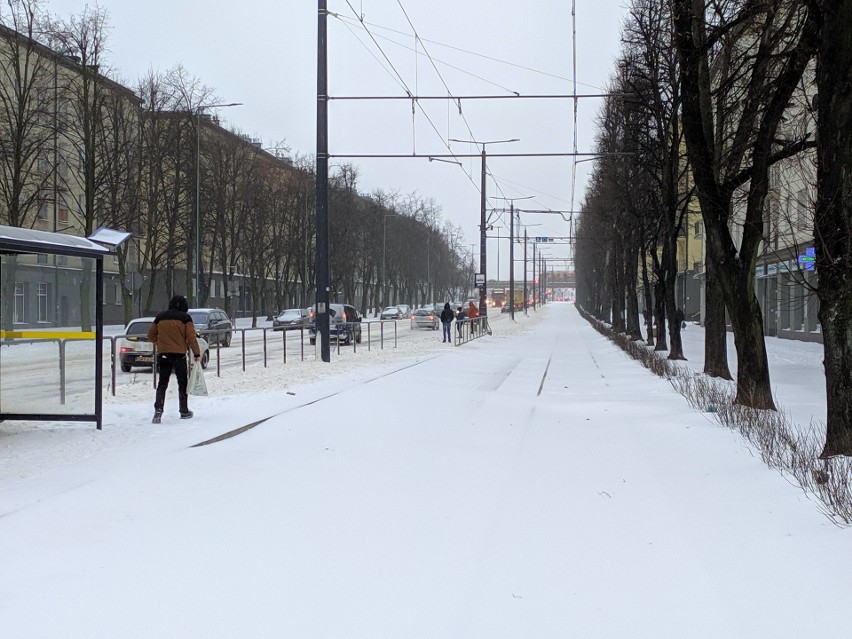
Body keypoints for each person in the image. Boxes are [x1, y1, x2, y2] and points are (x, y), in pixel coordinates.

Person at [147, 294, 201, 423]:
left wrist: (160, 343)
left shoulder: (160, 317)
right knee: (182, 384)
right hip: (179, 356)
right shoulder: (185, 319)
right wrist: (197, 353)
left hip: (164, 355)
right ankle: (184, 410)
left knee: (162, 384)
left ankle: (158, 410)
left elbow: (150, 335)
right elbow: (191, 338)